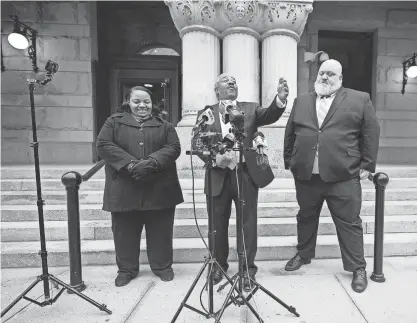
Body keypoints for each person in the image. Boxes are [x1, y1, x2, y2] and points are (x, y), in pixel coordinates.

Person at [283, 59, 380, 293]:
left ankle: (357, 268)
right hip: (307, 174)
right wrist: (289, 161)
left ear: (340, 78)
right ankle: (303, 254)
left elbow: (371, 132)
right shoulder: (302, 100)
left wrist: (367, 164)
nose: (325, 77)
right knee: (305, 217)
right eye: (322, 73)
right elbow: (290, 132)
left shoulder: (359, 98)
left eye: (330, 74)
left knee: (350, 223)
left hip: (343, 174)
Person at [194, 73, 289, 292]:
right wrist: (213, 157)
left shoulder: (250, 108)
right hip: (218, 175)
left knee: (247, 224)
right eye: (226, 80)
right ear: (216, 89)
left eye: (235, 81)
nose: (232, 83)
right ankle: (218, 266)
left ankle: (246, 270)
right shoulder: (205, 112)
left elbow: (270, 115)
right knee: (216, 225)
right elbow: (197, 142)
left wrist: (280, 100)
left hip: (245, 174)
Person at [96, 86, 184, 287]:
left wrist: (152, 162)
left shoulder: (165, 125)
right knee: (124, 231)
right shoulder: (113, 123)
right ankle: (127, 269)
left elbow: (174, 147)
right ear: (128, 102)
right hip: (124, 188)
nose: (142, 105)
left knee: (160, 230)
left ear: (152, 104)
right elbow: (103, 145)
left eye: (146, 102)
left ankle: (162, 267)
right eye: (137, 101)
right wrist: (131, 164)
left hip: (159, 189)